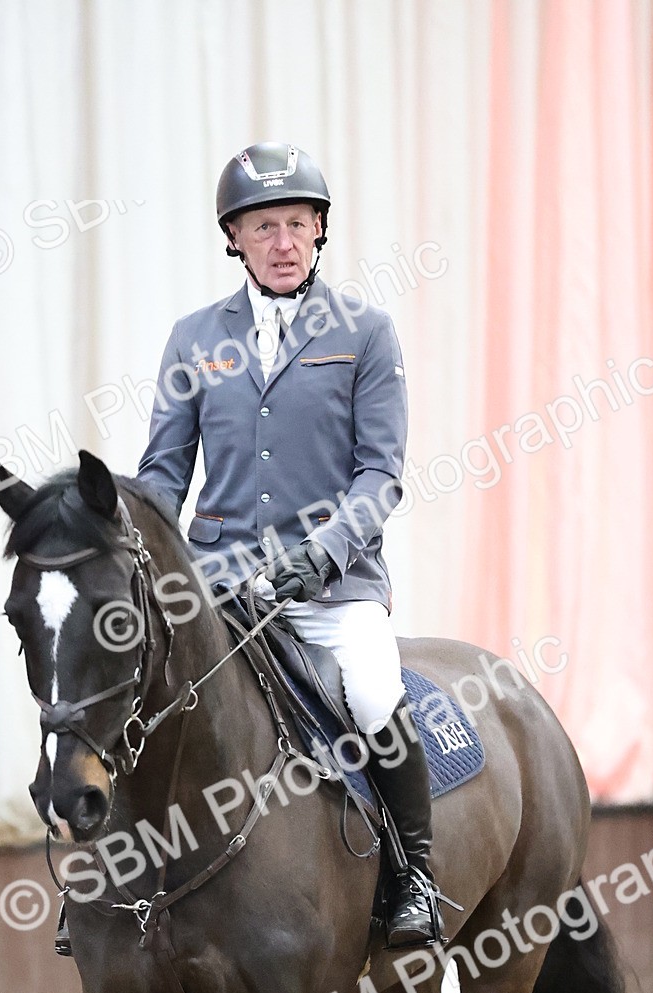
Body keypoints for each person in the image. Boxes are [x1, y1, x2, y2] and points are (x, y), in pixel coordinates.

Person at [137, 142, 443, 946]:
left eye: (297, 224)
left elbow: (381, 473)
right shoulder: (194, 337)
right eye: (264, 226)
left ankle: (416, 877)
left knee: (375, 694)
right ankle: (110, 890)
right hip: (219, 583)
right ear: (232, 236)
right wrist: (147, 562)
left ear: (320, 232)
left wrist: (326, 553)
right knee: (138, 698)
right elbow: (163, 475)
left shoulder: (366, 332)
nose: (282, 242)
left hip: (332, 587)